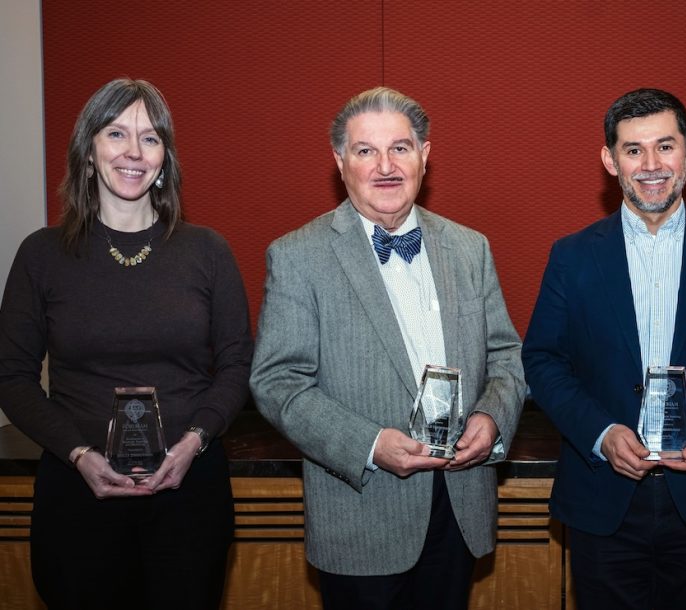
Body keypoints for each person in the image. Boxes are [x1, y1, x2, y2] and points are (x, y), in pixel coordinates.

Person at [249, 86, 525, 610]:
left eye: (400, 148)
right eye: (365, 151)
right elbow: (277, 382)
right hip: (361, 512)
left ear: (425, 154)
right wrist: (370, 444)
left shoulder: (470, 248)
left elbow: (506, 357)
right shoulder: (298, 256)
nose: (385, 166)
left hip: (460, 504)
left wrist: (492, 419)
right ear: (339, 161)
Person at [521, 88, 686, 610]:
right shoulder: (572, 256)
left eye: (665, 146)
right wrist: (600, 432)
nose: (651, 165)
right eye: (633, 149)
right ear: (609, 160)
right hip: (604, 497)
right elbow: (542, 360)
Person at [0, 78, 253, 609]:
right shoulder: (42, 255)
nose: (133, 152)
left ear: (166, 158)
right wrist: (78, 454)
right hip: (77, 496)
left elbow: (235, 365)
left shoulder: (207, 251)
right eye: (117, 134)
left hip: (190, 494)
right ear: (89, 150)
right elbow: (11, 376)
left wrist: (194, 442)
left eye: (151, 138)